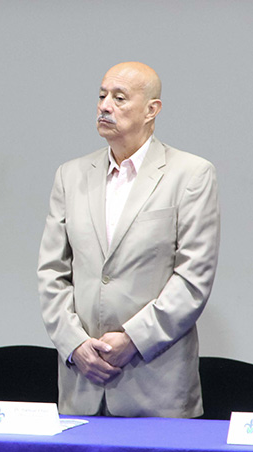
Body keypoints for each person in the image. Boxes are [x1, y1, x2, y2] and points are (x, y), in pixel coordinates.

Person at [37, 62, 220, 418]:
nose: (105, 106)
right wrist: (74, 343)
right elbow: (51, 272)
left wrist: (133, 339)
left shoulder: (191, 174)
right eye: (102, 96)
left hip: (156, 387)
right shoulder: (70, 175)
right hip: (82, 385)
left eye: (119, 98)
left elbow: (193, 278)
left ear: (152, 110)